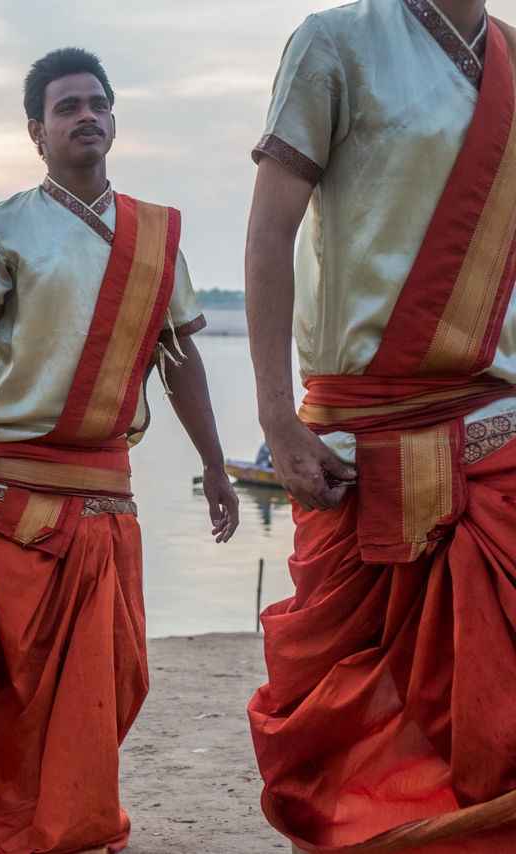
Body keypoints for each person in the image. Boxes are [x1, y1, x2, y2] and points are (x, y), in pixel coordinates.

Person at [0, 48, 238, 854]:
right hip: (11, 489)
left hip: (109, 488)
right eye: (67, 107)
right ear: (36, 131)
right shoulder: (2, 228)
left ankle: (58, 803)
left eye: (97, 103)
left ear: (115, 119)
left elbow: (179, 360)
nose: (86, 116)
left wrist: (215, 465)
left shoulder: (157, 235)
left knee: (113, 673)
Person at [244, 2, 516, 851]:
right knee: (339, 707)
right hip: (356, 432)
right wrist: (275, 416)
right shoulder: (334, 42)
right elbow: (271, 230)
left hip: (500, 430)